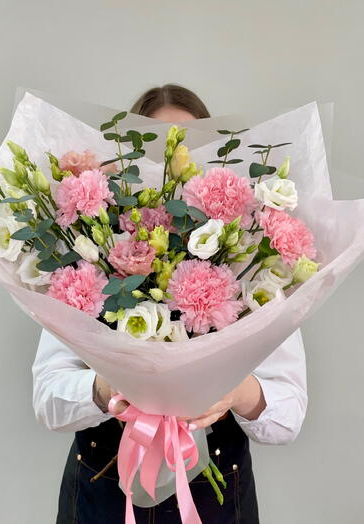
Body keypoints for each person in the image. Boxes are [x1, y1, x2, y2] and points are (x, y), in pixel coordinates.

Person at [32, 84, 308, 524]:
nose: (170, 161)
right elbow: (47, 399)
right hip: (103, 493)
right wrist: (105, 388)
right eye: (154, 149)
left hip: (217, 498)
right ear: (127, 164)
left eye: (187, 147)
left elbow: (288, 416)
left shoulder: (251, 262)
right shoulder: (88, 259)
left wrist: (235, 391)